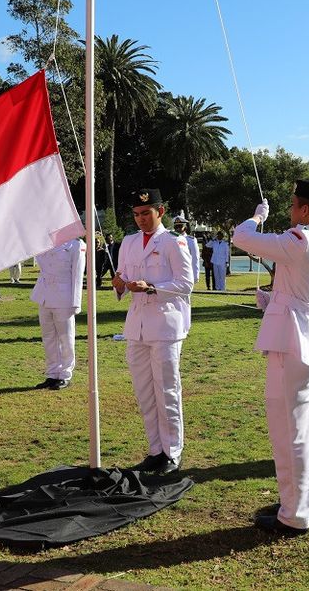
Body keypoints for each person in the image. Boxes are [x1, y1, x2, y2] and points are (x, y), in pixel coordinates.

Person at [233, 179, 309, 537]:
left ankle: (292, 515)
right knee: (306, 428)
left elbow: (241, 238)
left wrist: (255, 218)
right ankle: (306, 506)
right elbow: (297, 291)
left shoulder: (300, 240)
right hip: (306, 338)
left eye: (294, 206)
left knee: (288, 430)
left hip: (293, 345)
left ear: (305, 211)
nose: (290, 212)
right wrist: (273, 300)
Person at [112, 189, 194, 476]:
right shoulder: (129, 242)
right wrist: (119, 283)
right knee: (145, 391)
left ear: (160, 211)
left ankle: (173, 452)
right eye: (136, 214)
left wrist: (153, 287)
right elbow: (122, 276)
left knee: (167, 390)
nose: (141, 219)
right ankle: (155, 449)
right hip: (137, 326)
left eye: (146, 213)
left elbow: (186, 283)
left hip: (165, 324)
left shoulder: (174, 242)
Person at [32, 237, 86, 390]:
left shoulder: (75, 245)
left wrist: (76, 302)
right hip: (44, 295)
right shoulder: (44, 242)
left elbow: (77, 274)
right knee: (48, 337)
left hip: (64, 297)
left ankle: (65, 374)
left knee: (66, 338)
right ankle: (52, 373)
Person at [172, 215, 200, 286]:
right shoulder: (171, 239)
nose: (178, 229)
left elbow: (195, 258)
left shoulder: (191, 240)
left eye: (180, 226)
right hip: (173, 275)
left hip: (186, 274)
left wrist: (195, 276)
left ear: (185, 227)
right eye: (176, 227)